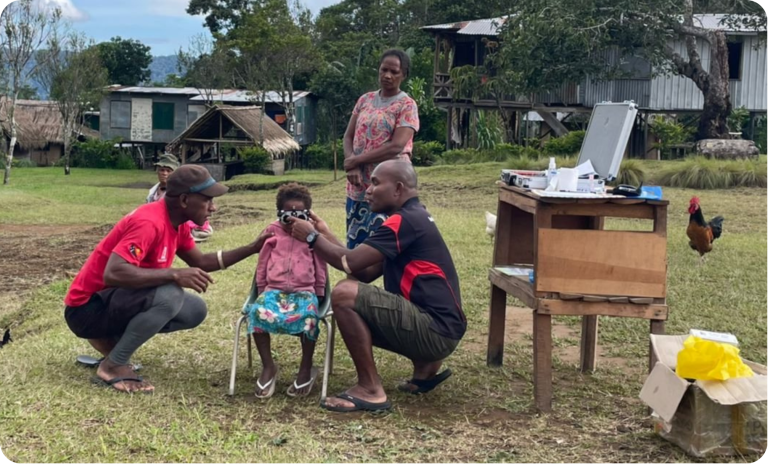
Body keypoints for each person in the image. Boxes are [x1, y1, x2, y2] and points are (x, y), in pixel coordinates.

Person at [64, 165, 273, 394]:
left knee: (194, 309)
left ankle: (111, 344)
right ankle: (113, 366)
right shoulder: (149, 222)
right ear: (184, 200)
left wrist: (253, 248)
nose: (213, 208)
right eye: (207, 201)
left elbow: (202, 262)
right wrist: (174, 274)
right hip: (86, 310)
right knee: (170, 294)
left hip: (112, 301)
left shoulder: (177, 223)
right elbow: (113, 272)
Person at [289, 160, 465, 412]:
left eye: (375, 182)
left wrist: (310, 236)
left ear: (398, 188)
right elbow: (364, 271)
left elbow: (349, 264)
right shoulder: (413, 218)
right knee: (354, 290)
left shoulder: (403, 221)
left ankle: (371, 389)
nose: (367, 190)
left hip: (436, 331)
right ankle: (425, 367)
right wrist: (324, 233)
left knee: (344, 294)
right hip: (443, 329)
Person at [245, 183, 328, 399]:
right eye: (287, 213)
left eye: (298, 213)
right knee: (257, 312)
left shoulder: (312, 233)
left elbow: (321, 263)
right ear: (279, 212)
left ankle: (306, 367)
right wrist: (262, 290)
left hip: (305, 291)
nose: (292, 219)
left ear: (307, 214)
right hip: (274, 289)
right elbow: (262, 262)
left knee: (310, 318)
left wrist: (319, 291)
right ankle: (268, 367)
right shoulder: (272, 230)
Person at [343, 49, 420, 249]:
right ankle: (356, 280)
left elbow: (396, 146)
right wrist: (351, 165)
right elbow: (348, 136)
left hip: (389, 186)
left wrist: (356, 161)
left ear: (403, 74)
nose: (387, 75)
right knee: (356, 245)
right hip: (359, 184)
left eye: (394, 71)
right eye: (384, 70)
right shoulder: (364, 100)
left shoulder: (407, 105)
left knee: (386, 246)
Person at [147, 153, 214, 243]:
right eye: (162, 170)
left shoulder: (181, 192)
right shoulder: (152, 192)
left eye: (168, 170)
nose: (164, 173)